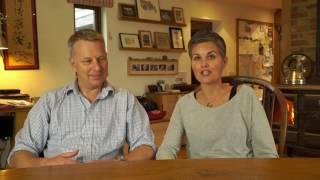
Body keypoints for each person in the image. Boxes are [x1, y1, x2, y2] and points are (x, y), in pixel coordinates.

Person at [8, 29, 156, 168]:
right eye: (87, 61)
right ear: (73, 65)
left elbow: (146, 146)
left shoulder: (125, 99)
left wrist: (119, 163)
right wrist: (48, 164)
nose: (97, 67)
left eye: (101, 59)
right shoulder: (50, 101)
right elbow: (18, 156)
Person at [156, 31, 278, 159]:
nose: (204, 64)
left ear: (224, 62)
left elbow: (266, 153)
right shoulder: (184, 104)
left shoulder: (246, 96)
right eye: (197, 58)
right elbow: (167, 148)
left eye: (211, 56)